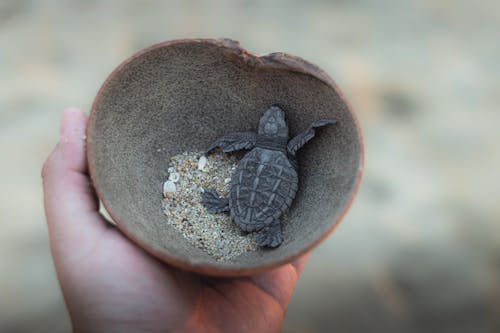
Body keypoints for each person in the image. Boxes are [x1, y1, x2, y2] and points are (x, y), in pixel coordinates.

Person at [42, 108, 309, 332]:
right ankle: (261, 222)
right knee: (265, 196)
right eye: (269, 118)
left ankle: (224, 205)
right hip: (269, 200)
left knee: (246, 187)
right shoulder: (287, 149)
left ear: (266, 132)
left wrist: (219, 145)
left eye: (277, 120)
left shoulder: (253, 143)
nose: (273, 116)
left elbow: (233, 142)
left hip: (240, 201)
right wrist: (312, 131)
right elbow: (297, 144)